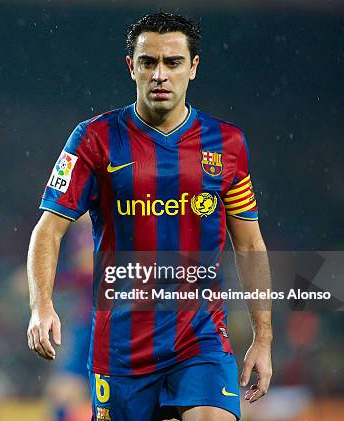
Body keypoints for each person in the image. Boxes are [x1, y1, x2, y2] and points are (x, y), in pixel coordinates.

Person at [26, 12, 272, 421]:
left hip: (200, 339)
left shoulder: (227, 144)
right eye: (148, 62)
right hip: (121, 349)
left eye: (173, 62)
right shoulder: (93, 138)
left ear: (193, 67)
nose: (160, 74)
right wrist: (41, 305)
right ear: (131, 67)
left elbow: (249, 245)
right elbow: (48, 231)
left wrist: (263, 339)